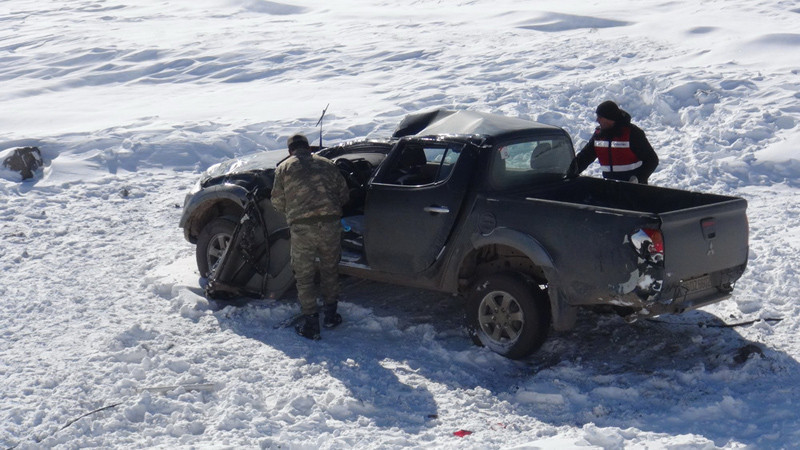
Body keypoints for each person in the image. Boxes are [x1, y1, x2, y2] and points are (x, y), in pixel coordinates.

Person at [271, 133, 350, 340]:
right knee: (330, 270)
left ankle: (311, 324)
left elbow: (277, 203)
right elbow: (344, 195)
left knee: (304, 276)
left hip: (302, 229)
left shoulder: (284, 168)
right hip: (331, 226)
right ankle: (331, 316)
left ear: (290, 151)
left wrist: (296, 209)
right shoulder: (327, 164)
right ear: (309, 147)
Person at [569, 100, 659, 184]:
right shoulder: (599, 136)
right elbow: (584, 158)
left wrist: (637, 179)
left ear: (610, 118)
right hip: (610, 188)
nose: (597, 120)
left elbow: (652, 160)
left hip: (634, 189)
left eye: (600, 117)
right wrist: (568, 172)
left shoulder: (632, 133)